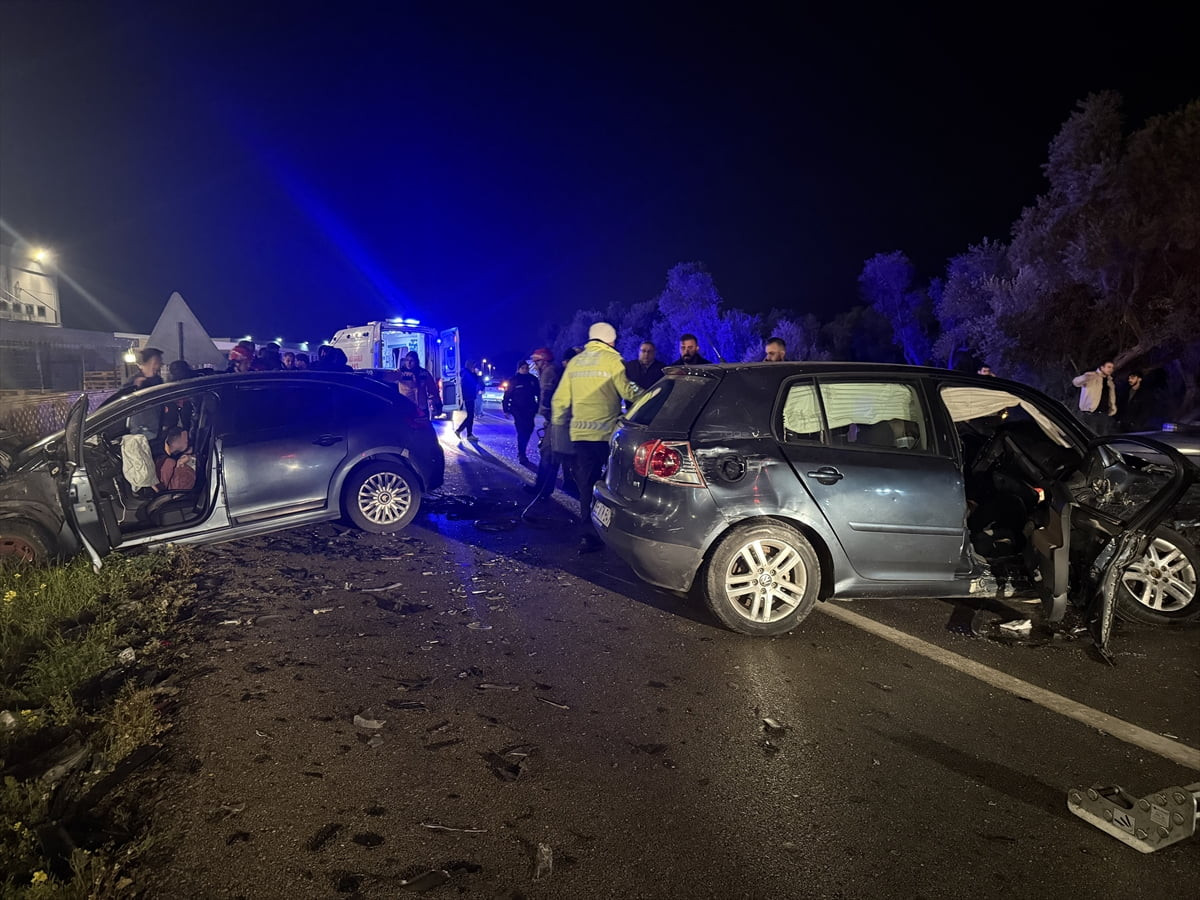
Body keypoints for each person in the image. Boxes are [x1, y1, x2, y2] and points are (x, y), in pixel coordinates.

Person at [551, 322, 641, 552]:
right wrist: (650, 398)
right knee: (612, 484)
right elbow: (627, 391)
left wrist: (558, 430)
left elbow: (559, 401)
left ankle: (588, 535)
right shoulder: (613, 361)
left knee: (586, 484)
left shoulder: (575, 363)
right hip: (606, 435)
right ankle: (612, 531)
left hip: (580, 436)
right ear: (609, 340)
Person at [503, 361, 540, 464]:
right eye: (522, 368)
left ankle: (522, 449)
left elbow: (539, 394)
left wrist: (537, 407)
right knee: (521, 431)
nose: (525, 370)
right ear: (518, 369)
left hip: (530, 410)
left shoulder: (533, 380)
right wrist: (506, 409)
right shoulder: (514, 380)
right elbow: (507, 396)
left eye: (526, 368)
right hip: (517, 410)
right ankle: (522, 454)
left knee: (529, 429)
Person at [1073, 360, 1117, 435]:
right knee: (1088, 435)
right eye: (1109, 367)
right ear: (1102, 367)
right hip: (1091, 413)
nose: (1111, 369)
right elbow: (1076, 382)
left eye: (1112, 368)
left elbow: (1111, 396)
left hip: (1103, 414)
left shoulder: (1110, 381)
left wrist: (1112, 407)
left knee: (1101, 437)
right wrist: (1086, 377)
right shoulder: (1091, 376)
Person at [396, 351, 443, 421]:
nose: (409, 363)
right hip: (407, 407)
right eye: (407, 360)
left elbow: (432, 389)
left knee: (424, 429)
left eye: (411, 361)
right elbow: (389, 376)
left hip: (422, 408)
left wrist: (437, 403)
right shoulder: (401, 373)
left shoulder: (424, 373)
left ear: (416, 361)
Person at [156, 427, 196, 492]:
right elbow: (177, 491)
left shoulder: (167, 462)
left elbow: (177, 491)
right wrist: (181, 465)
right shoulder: (168, 463)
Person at [456, 361, 482, 440]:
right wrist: (475, 374)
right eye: (474, 366)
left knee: (470, 415)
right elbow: (474, 382)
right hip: (469, 396)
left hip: (469, 396)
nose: (474, 368)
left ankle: (468, 434)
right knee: (470, 415)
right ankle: (461, 431)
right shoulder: (467, 374)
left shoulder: (466, 373)